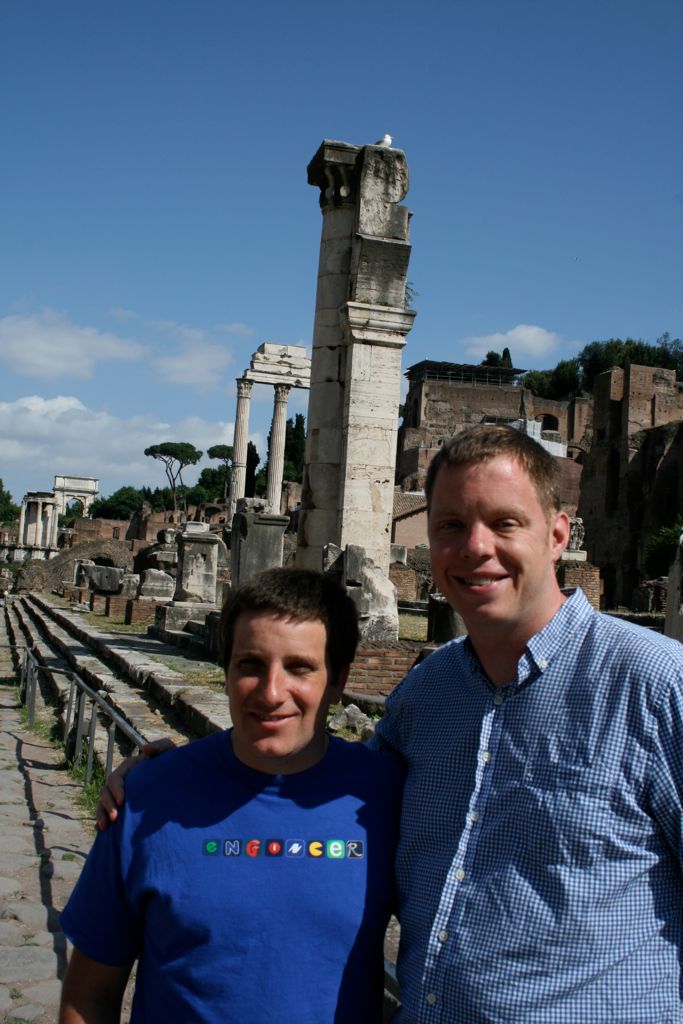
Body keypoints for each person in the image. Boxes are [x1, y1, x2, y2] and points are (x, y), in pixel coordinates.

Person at [371, 424, 683, 1021]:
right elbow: (330, 805)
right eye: (451, 526)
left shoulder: (655, 683)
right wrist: (165, 781)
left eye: (505, 523)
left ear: (559, 534)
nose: (475, 547)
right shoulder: (422, 697)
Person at [59, 568, 403, 1024]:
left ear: (338, 682)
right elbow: (89, 997)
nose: (271, 692)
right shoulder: (145, 798)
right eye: (250, 665)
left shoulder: (385, 796)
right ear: (225, 670)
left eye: (299, 667)